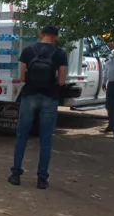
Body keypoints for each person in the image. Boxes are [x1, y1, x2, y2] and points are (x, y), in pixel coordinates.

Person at [8, 25, 69, 190]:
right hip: (50, 97)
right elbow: (62, 81)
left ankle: (16, 175)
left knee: (22, 135)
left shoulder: (28, 51)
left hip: (29, 96)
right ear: (55, 37)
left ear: (40, 35)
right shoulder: (61, 54)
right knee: (46, 139)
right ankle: (42, 179)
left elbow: (21, 77)